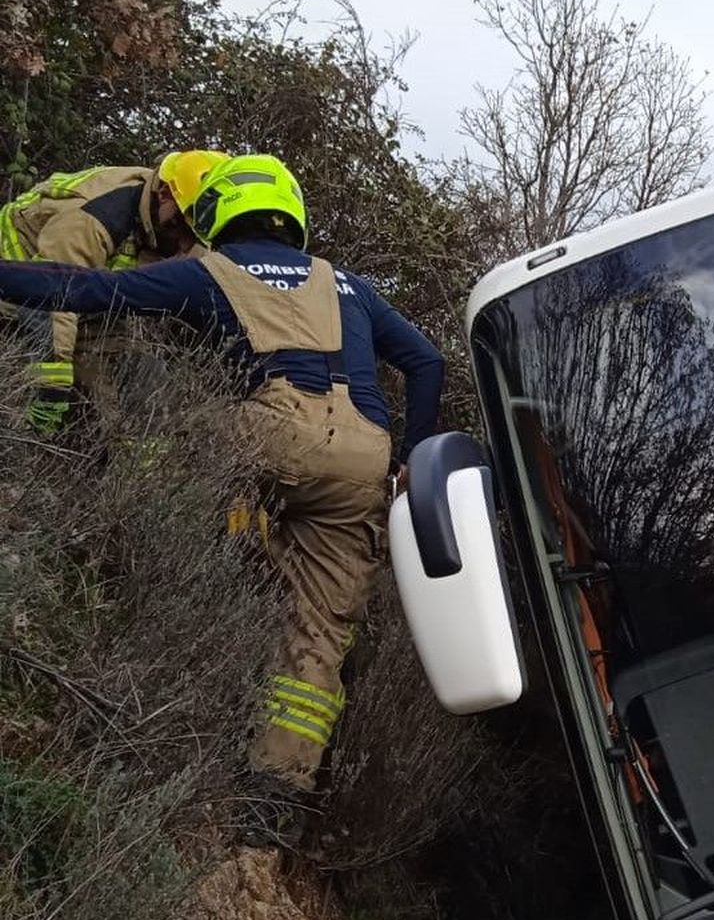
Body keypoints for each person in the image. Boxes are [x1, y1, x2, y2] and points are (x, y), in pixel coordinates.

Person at [0, 153, 446, 846]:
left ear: (216, 215)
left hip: (269, 434)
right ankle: (268, 813)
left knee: (169, 426)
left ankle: (193, 561)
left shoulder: (206, 272)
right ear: (292, 212)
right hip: (364, 458)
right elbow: (426, 361)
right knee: (319, 637)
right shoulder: (349, 284)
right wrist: (412, 460)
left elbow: (81, 291)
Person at [0, 150, 224, 432]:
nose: (184, 244)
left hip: (87, 287)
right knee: (45, 377)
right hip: (21, 275)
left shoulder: (183, 220)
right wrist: (52, 387)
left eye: (195, 234)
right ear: (165, 194)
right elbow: (52, 293)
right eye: (181, 227)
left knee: (119, 380)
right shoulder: (97, 215)